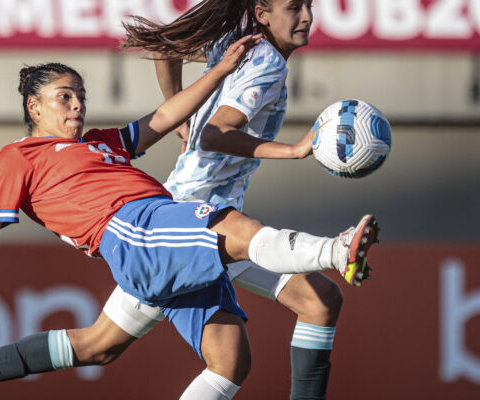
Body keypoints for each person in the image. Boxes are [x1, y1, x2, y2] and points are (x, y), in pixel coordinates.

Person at [0, 35, 379, 400]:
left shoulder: (99, 142)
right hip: (132, 230)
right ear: (34, 106)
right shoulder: (19, 157)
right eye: (64, 97)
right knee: (235, 228)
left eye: (81, 95)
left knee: (218, 361)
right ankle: (336, 251)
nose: (77, 104)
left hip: (156, 238)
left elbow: (162, 117)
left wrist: (220, 70)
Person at [110, 1, 360, 399]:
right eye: (294, 8)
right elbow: (216, 134)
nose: (307, 17)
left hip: (196, 209)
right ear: (262, 13)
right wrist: (293, 151)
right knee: (98, 346)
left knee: (320, 301)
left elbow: (165, 47)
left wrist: (180, 114)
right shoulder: (268, 64)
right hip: (198, 218)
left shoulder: (237, 43)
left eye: (309, 6)